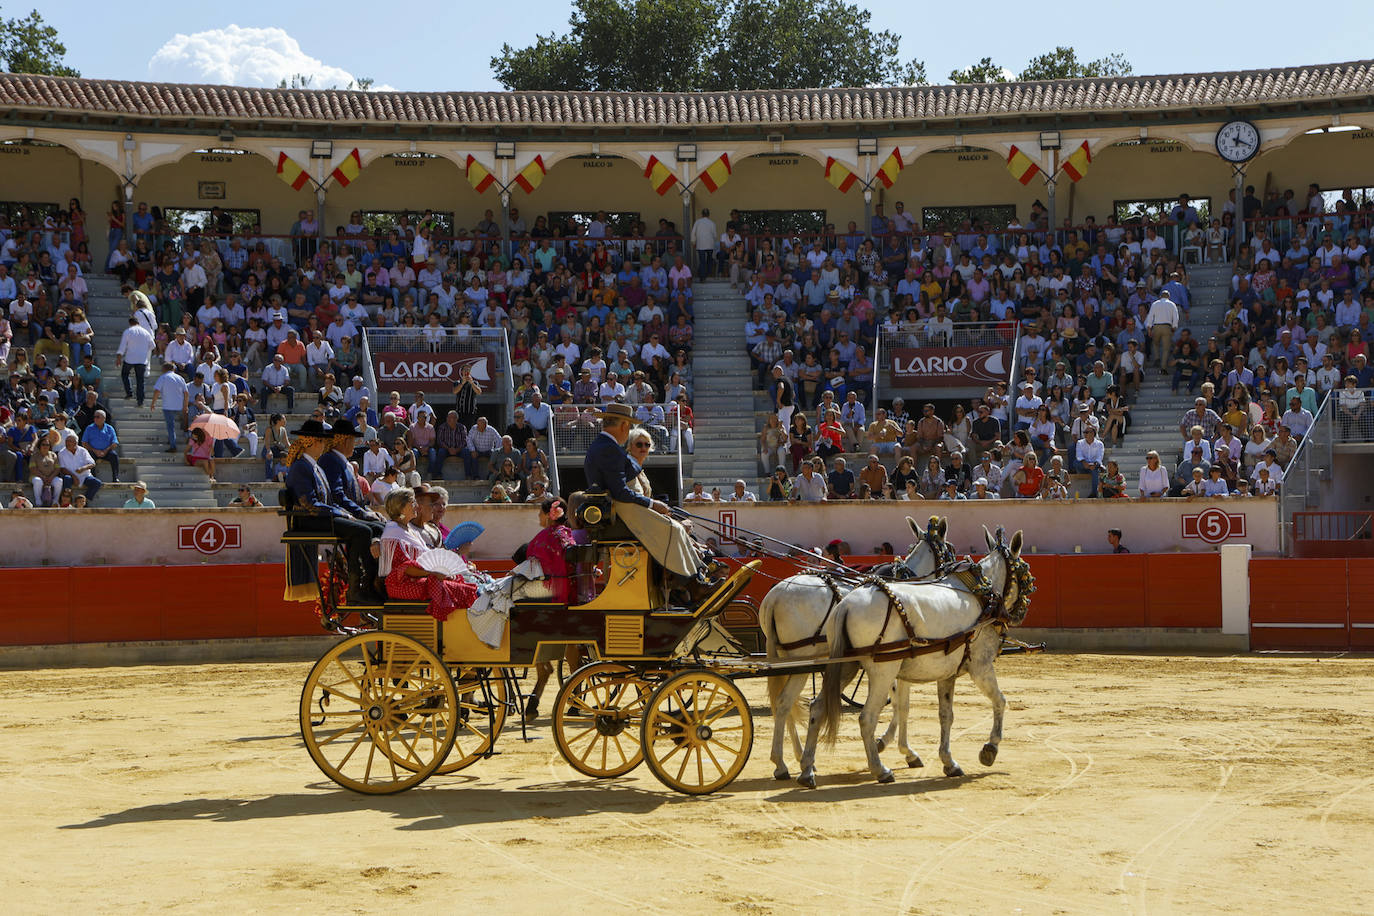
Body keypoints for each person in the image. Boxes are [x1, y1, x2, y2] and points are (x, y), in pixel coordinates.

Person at [583, 402, 718, 599]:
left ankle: (698, 579)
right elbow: (620, 491)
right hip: (622, 508)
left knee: (677, 528)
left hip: (621, 506)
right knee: (674, 529)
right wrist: (652, 504)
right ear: (623, 426)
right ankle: (692, 585)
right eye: (628, 426)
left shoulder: (604, 446)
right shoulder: (608, 448)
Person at [284, 418, 383, 604]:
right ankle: (357, 589)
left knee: (367, 529)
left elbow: (327, 500)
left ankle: (369, 584)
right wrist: (341, 513)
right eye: (321, 440)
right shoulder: (300, 467)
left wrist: (342, 512)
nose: (324, 444)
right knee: (363, 531)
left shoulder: (312, 466)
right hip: (310, 520)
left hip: (321, 516)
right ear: (312, 442)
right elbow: (310, 504)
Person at [378, 487, 478, 621]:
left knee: (458, 582)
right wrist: (433, 573)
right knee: (456, 589)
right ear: (402, 507)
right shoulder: (394, 532)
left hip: (416, 579)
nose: (416, 506)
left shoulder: (407, 529)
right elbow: (405, 568)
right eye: (412, 503)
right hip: (401, 584)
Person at [525, 495, 577, 604]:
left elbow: (532, 566)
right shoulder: (568, 533)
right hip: (572, 591)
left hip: (549, 592)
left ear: (549, 515)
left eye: (541, 512)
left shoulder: (545, 537)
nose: (539, 515)